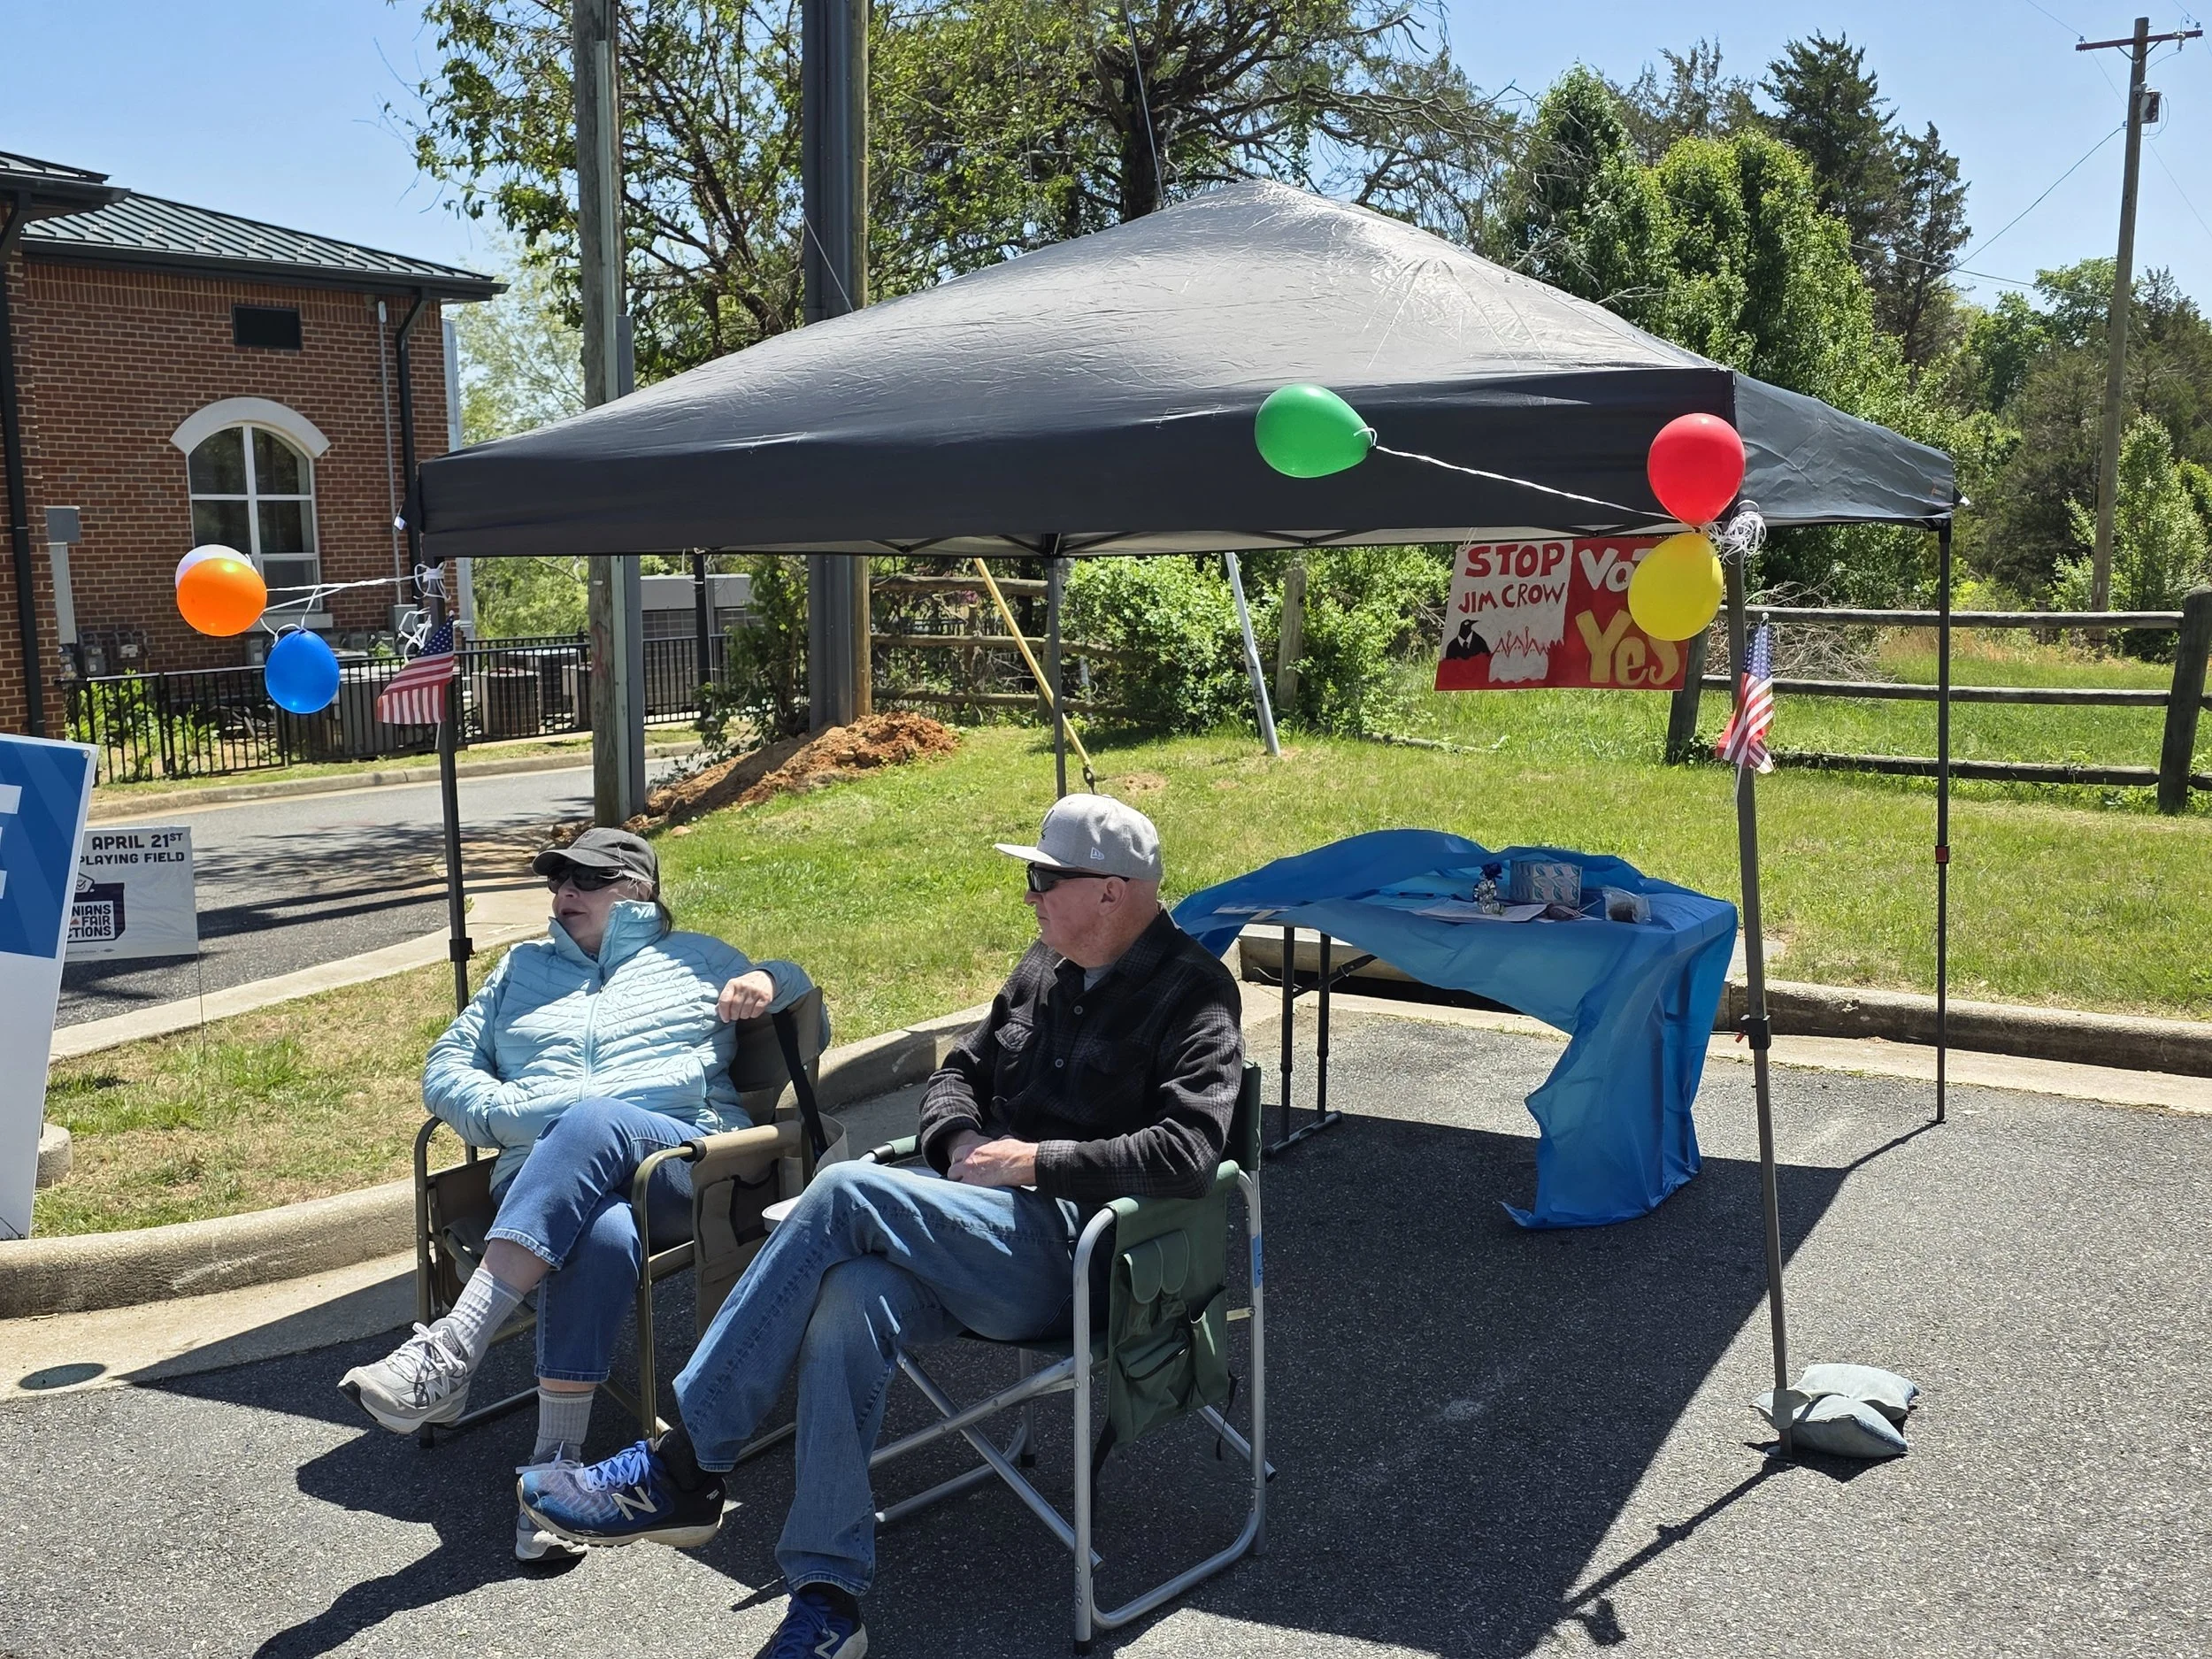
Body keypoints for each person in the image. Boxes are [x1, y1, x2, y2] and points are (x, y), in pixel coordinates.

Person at [518, 795, 1243, 1659]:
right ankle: (827, 1602)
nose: (1029, 897)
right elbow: (955, 1076)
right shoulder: (1043, 965)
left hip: (1093, 1258)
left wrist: (1037, 1160)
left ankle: (685, 1467)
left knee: (846, 1194)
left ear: (1114, 893)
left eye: (1044, 879)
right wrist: (966, 1139)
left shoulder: (1195, 993)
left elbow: (1190, 1152)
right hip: (986, 1229)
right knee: (850, 1301)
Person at [337, 826, 822, 1563]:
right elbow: (446, 1068)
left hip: (681, 1169)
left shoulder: (696, 958)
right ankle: (554, 1476)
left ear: (637, 893)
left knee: (595, 1119)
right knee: (601, 1235)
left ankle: (450, 1348)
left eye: (586, 881)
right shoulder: (519, 969)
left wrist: (768, 975)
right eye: (558, 880)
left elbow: (797, 993)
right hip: (547, 1178)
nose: (564, 893)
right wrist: (511, 1114)